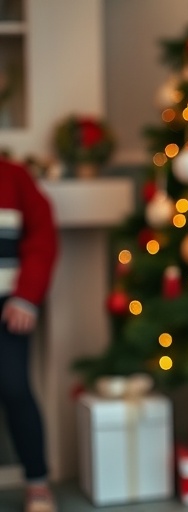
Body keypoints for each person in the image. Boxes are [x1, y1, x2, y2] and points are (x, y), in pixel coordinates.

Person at [0, 158, 58, 512]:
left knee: (15, 389)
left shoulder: (14, 177)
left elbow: (42, 237)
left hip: (9, 308)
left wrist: (26, 295)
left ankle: (37, 483)